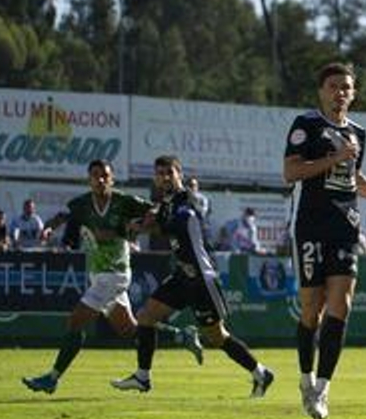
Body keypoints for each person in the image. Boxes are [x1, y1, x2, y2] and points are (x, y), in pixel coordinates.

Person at [20, 159, 203, 395]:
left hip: (114, 274)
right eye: (95, 175)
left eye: (105, 175)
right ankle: (182, 336)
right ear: (89, 179)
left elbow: (155, 210)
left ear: (112, 178)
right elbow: (64, 215)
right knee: (128, 330)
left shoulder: (123, 201)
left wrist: (129, 228)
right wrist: (48, 227)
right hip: (98, 275)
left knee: (75, 322)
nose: (100, 179)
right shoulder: (83, 203)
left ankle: (52, 378)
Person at [283, 61, 366, 419]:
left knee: (342, 305)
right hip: (310, 225)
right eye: (333, 86)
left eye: (346, 88)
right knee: (311, 310)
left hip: (346, 225)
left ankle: (322, 389)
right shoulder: (306, 125)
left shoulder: (358, 133)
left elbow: (353, 176)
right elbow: (291, 172)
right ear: (321, 91)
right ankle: (304, 377)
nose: (340, 93)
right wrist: (334, 157)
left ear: (353, 94)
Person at [108, 155, 275, 397]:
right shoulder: (167, 201)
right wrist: (143, 220)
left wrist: (143, 224)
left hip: (201, 279)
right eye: (160, 173)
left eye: (169, 172)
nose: (164, 177)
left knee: (217, 337)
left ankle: (261, 373)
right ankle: (142, 377)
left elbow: (177, 222)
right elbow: (158, 217)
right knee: (145, 317)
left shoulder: (189, 200)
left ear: (179, 175)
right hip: (182, 275)